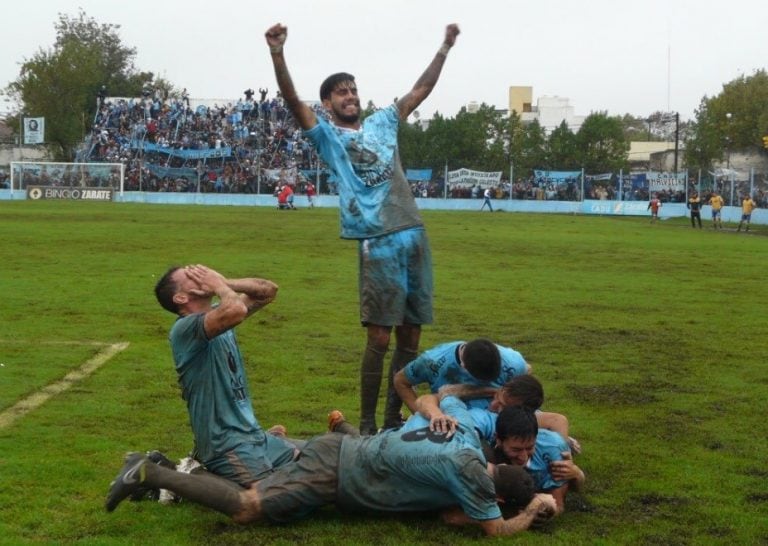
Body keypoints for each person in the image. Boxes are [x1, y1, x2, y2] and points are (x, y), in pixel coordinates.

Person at [265, 22, 461, 434]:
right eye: (341, 92)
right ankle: (370, 424)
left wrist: (444, 47)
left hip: (413, 231)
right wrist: (278, 54)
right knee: (380, 337)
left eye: (353, 90)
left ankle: (394, 418)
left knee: (411, 334)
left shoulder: (383, 122)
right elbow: (290, 100)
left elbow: (419, 91)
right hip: (377, 240)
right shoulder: (327, 136)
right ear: (327, 102)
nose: (351, 96)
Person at [105, 396, 557, 536]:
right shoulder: (472, 478)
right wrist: (533, 510)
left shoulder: (466, 437)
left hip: (344, 454)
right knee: (248, 507)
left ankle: (169, 472)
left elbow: (447, 511)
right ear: (495, 496)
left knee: (263, 484)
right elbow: (490, 528)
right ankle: (149, 472)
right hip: (335, 474)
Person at [153, 264, 297, 487]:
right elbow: (235, 311)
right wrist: (219, 286)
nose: (202, 276)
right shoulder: (185, 329)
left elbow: (268, 290)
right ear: (180, 298)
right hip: (225, 445)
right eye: (192, 276)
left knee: (312, 465)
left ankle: (193, 471)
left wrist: (226, 283)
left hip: (254, 436)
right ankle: (187, 475)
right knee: (278, 496)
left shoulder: (219, 313)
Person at [393, 338, 529, 416]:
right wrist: (422, 416)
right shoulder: (433, 362)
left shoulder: (512, 362)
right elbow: (401, 381)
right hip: (455, 419)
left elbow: (526, 373)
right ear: (463, 367)